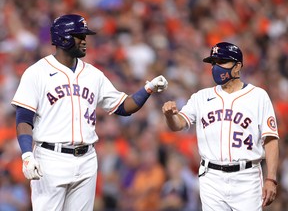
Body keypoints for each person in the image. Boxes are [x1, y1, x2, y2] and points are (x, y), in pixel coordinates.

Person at [11, 14, 168, 211]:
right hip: (50, 159)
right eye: (80, 36)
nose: (85, 41)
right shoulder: (37, 72)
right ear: (63, 37)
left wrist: (148, 89)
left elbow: (123, 107)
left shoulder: (93, 74)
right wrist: (26, 155)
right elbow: (24, 118)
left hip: (86, 159)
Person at [162, 42, 279, 211]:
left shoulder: (258, 96)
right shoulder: (201, 97)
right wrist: (170, 116)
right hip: (211, 177)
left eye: (222, 61)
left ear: (238, 66)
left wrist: (271, 178)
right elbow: (178, 124)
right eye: (213, 62)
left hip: (246, 177)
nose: (216, 67)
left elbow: (270, 139)